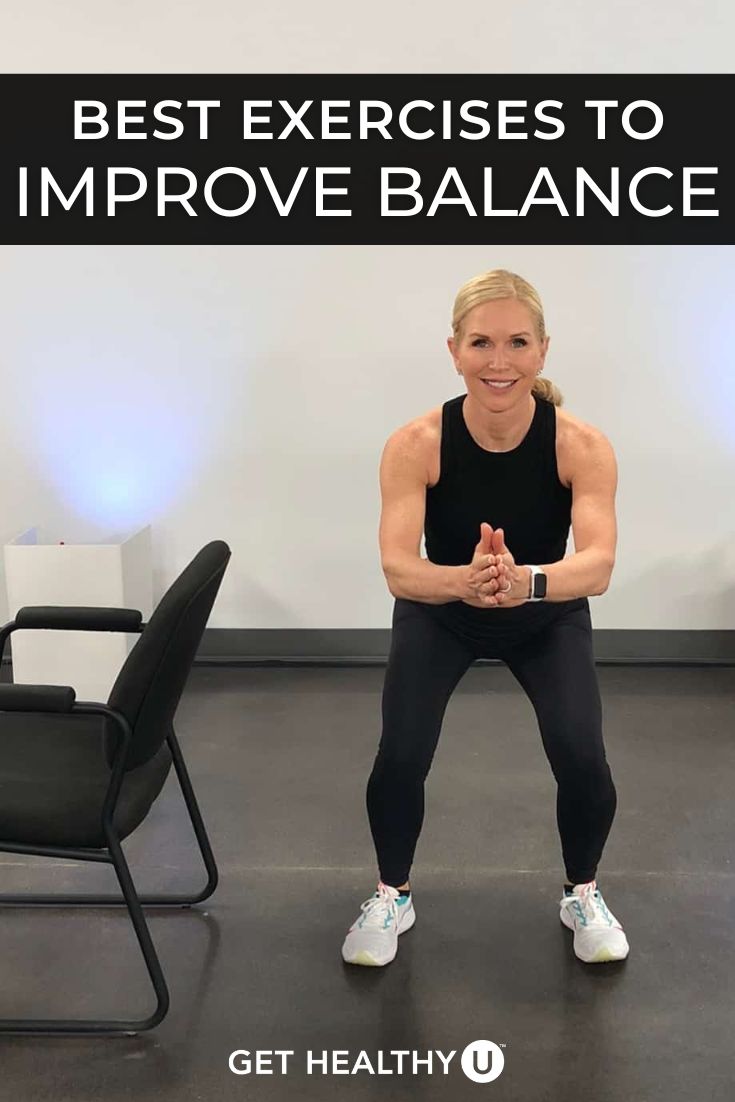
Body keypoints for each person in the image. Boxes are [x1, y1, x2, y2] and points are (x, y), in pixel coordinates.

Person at [341, 268, 629, 968]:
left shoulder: (579, 445)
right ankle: (392, 895)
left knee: (581, 755)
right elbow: (396, 568)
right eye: (480, 343)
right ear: (453, 350)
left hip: (543, 615)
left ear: (541, 350)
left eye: (516, 342)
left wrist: (525, 582)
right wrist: (464, 583)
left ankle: (581, 891)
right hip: (441, 610)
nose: (498, 362)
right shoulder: (415, 444)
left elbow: (595, 566)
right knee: (401, 755)